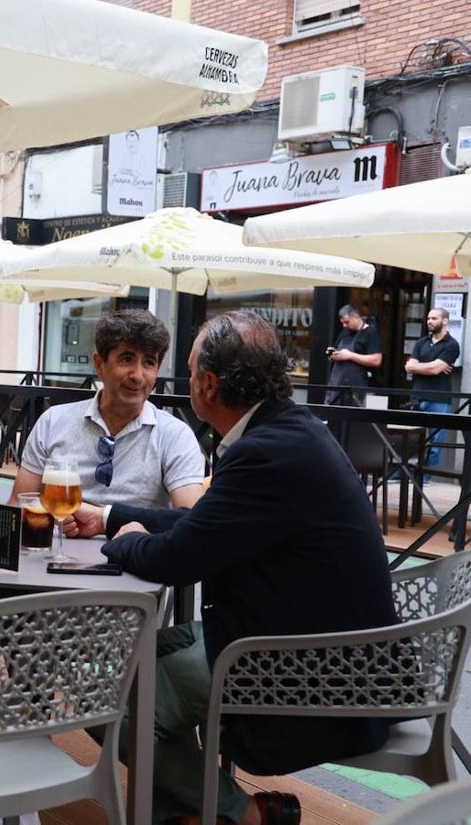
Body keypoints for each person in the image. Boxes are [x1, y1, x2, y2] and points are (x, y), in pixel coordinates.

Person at [81, 310, 396, 825]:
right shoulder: (286, 432)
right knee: (121, 660)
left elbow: (179, 559)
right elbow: (202, 525)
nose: (182, 380)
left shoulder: (266, 452)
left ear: (208, 383)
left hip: (310, 670)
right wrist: (112, 515)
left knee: (109, 699)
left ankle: (243, 814)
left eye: (186, 370)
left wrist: (123, 541)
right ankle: (192, 813)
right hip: (307, 641)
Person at [10, 309, 205, 536]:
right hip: (53, 559)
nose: (138, 375)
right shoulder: (53, 421)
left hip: (136, 564)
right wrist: (48, 519)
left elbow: (192, 520)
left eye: (149, 363)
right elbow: (18, 504)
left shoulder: (175, 435)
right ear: (99, 364)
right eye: (127, 359)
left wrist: (103, 519)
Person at [405, 307, 460, 470]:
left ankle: (426, 475)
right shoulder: (421, 342)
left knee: (435, 441)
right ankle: (406, 472)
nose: (429, 321)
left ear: (445, 321)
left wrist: (421, 366)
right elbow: (409, 366)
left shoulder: (451, 345)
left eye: (434, 318)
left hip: (439, 399)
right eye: (428, 318)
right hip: (417, 397)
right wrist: (430, 366)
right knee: (412, 439)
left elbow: (434, 369)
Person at [324, 304, 382, 406]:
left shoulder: (371, 333)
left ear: (356, 317)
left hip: (358, 387)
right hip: (337, 385)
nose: (344, 326)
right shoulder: (344, 332)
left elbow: (376, 360)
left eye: (347, 322)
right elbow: (338, 350)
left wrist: (350, 356)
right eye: (342, 323)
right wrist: (333, 353)